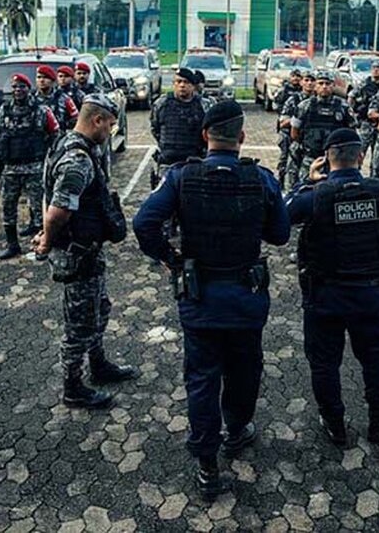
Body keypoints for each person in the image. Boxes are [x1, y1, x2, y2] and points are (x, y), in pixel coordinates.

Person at [133, 100, 290, 499]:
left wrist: (170, 259)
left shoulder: (181, 176)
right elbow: (280, 235)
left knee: (202, 378)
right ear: (241, 137)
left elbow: (144, 222)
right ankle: (236, 430)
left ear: (205, 136)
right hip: (245, 297)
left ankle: (207, 462)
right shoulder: (263, 178)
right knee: (244, 368)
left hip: (200, 296)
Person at [287, 128, 379, 446]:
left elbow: (279, 222)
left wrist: (307, 182)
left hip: (325, 295)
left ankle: (334, 423)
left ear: (325, 160)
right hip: (369, 293)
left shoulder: (316, 195)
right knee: (375, 358)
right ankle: (378, 421)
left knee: (324, 362)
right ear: (361, 156)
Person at [34, 93, 138, 410]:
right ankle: (73, 387)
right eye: (109, 123)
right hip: (76, 253)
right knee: (79, 324)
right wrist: (47, 239)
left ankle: (99, 364)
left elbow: (48, 196)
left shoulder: (66, 144)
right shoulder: (78, 159)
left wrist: (46, 232)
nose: (111, 129)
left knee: (98, 309)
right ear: (96, 120)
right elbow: (58, 209)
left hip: (88, 251)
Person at [0, 73, 60, 259]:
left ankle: (43, 245)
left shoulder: (41, 110)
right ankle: (12, 245)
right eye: (15, 87)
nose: (18, 91)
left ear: (28, 89)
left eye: (22, 87)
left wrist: (49, 158)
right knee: (8, 207)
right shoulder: (4, 110)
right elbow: (0, 134)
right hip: (10, 169)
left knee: (39, 210)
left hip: (34, 167)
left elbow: (55, 134)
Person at [149, 67, 207, 189]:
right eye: (178, 82)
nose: (182, 85)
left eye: (186, 82)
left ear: (193, 86)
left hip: (194, 162)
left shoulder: (204, 105)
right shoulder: (161, 104)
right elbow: (155, 128)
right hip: (167, 162)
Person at [291, 71, 355, 181]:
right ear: (315, 85)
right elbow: (294, 133)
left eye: (327, 83)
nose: (324, 87)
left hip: (335, 161)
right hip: (310, 158)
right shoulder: (304, 106)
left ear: (333, 85)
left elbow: (351, 133)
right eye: (320, 83)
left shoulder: (343, 107)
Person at [281, 70, 316, 190]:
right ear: (302, 83)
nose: (309, 83)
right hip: (294, 139)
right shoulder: (293, 100)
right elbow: (282, 123)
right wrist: (297, 120)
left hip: (313, 143)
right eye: (306, 80)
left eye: (312, 81)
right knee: (290, 170)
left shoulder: (320, 102)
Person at [347, 60, 379, 159]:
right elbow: (351, 96)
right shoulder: (364, 83)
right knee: (360, 150)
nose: (375, 71)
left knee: (378, 154)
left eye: (378, 69)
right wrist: (351, 111)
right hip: (366, 122)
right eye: (373, 68)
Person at [274, 69, 303, 190]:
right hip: (286, 132)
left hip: (299, 133)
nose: (296, 79)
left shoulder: (305, 94)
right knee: (284, 159)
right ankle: (280, 182)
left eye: (298, 76)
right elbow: (276, 105)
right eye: (294, 76)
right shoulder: (284, 90)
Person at [34, 65, 80, 131]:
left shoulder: (64, 99)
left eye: (45, 78)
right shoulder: (31, 98)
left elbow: (76, 119)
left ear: (52, 81)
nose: (41, 80)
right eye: (39, 77)